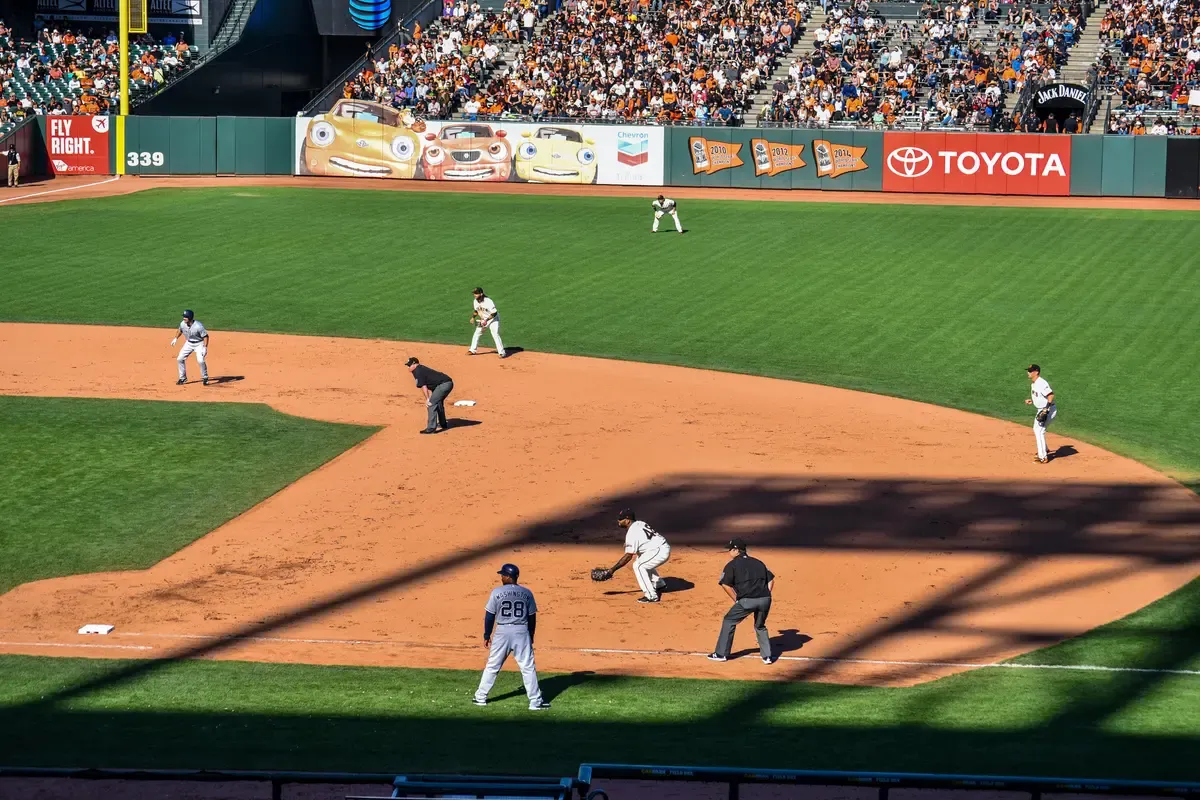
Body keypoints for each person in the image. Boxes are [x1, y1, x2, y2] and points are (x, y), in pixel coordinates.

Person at [473, 563, 551, 710]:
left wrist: (486, 634)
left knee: (492, 665)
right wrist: (531, 634)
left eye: (502, 575)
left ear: (508, 577)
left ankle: (480, 698)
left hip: (502, 632)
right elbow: (532, 617)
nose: (501, 577)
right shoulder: (527, 593)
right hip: (521, 631)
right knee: (528, 667)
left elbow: (489, 616)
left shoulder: (496, 592)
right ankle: (535, 702)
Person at [708, 538, 775, 664]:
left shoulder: (732, 565)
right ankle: (767, 657)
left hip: (747, 601)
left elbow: (725, 584)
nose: (729, 552)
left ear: (736, 550)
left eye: (730, 549)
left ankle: (721, 653)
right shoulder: (758, 562)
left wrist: (736, 600)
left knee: (729, 620)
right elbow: (771, 580)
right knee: (760, 626)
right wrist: (766, 594)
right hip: (765, 600)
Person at [600, 509, 671, 603]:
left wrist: (612, 570)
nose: (618, 521)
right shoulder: (640, 523)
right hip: (659, 548)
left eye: (621, 519)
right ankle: (659, 584)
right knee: (641, 558)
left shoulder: (632, 532)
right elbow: (642, 538)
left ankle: (651, 596)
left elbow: (628, 556)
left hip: (659, 551)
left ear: (628, 520)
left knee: (639, 565)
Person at [406, 356, 453, 434]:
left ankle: (431, 428)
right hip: (445, 383)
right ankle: (443, 423)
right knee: (438, 402)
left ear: (415, 364)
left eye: (409, 365)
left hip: (444, 384)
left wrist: (428, 399)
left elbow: (424, 386)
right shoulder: (419, 369)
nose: (408, 367)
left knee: (431, 404)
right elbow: (428, 385)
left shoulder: (418, 371)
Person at [1025, 363, 1057, 463]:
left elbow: (1051, 395)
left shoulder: (1041, 383)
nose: (1028, 373)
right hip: (1042, 409)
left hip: (1048, 410)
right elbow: (1040, 396)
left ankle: (1043, 457)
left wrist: (1046, 409)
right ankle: (1044, 449)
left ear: (1036, 372)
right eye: (1028, 371)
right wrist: (1033, 401)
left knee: (1039, 431)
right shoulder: (1034, 383)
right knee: (1037, 429)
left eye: (1030, 371)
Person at [171, 309, 210, 386]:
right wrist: (175, 338)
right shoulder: (183, 324)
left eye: (185, 317)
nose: (184, 318)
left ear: (190, 317)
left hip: (199, 343)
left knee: (200, 360)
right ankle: (182, 378)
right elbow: (180, 330)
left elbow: (206, 336)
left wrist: (205, 347)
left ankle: (205, 377)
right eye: (184, 316)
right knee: (180, 359)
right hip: (188, 343)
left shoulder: (198, 326)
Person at [468, 287, 507, 358]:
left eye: (476, 293)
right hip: (483, 320)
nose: (475, 295)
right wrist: (473, 318)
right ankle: (472, 350)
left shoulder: (488, 301)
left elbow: (494, 313)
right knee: (477, 333)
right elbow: (476, 311)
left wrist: (486, 320)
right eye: (474, 293)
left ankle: (502, 352)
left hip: (493, 319)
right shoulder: (475, 301)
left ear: (481, 293)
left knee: (495, 334)